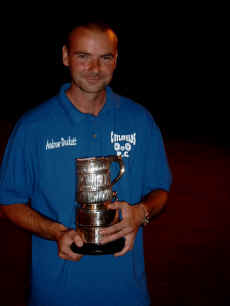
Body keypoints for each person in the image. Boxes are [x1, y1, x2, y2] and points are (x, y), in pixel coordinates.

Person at [0, 20, 172, 306]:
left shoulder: (140, 120)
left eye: (105, 58)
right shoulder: (33, 127)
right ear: (66, 56)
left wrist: (141, 212)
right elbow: (8, 202)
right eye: (84, 57)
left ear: (116, 59)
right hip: (56, 293)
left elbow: (160, 191)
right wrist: (56, 232)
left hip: (127, 292)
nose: (95, 69)